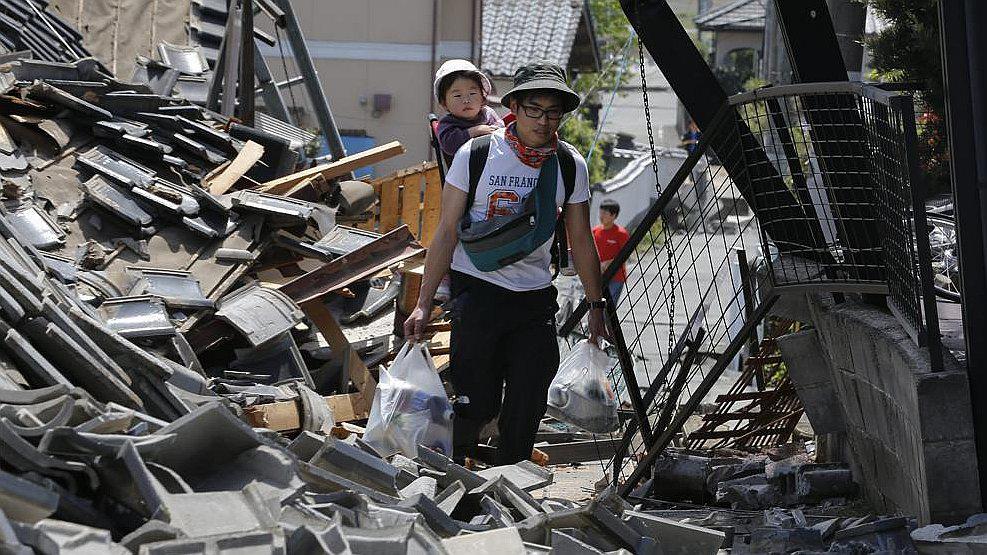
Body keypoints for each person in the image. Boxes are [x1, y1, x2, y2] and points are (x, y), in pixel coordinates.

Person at [405, 62, 608, 465]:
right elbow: (445, 231)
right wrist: (423, 303)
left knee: (529, 396)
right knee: (475, 400)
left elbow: (582, 239)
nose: (543, 121)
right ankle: (459, 475)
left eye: (553, 113)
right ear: (513, 107)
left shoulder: (569, 164)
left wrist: (596, 306)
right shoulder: (477, 154)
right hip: (477, 291)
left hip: (534, 297)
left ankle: (512, 479)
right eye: (534, 110)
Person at [433, 59, 504, 167]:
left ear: (483, 98)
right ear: (444, 103)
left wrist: (495, 131)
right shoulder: (447, 123)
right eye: (457, 96)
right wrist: (474, 132)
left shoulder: (488, 114)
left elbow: (502, 132)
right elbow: (448, 146)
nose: (466, 100)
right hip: (465, 171)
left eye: (472, 93)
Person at [593, 199, 630, 302]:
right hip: (598, 276)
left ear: (614, 215)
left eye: (605, 213)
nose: (601, 216)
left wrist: (607, 263)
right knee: (596, 305)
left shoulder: (621, 234)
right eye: (600, 213)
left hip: (616, 278)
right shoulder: (595, 231)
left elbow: (625, 255)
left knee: (609, 306)